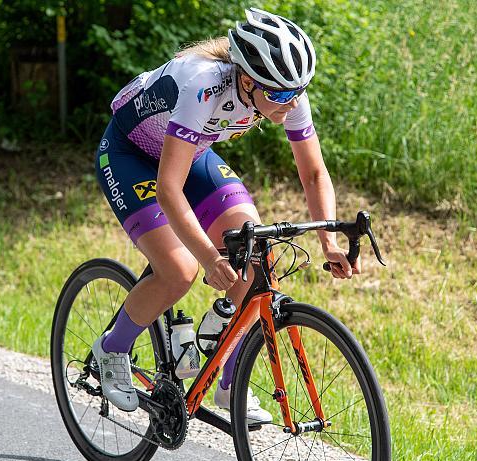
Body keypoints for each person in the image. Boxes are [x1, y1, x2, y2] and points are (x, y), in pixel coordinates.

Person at [92, 7, 360, 423]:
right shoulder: (203, 85)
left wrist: (329, 241)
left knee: (257, 251)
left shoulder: (286, 93)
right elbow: (167, 189)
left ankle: (229, 379)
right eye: (283, 96)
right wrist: (208, 258)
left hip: (190, 151)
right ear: (249, 81)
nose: (291, 105)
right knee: (178, 270)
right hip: (131, 156)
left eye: (298, 92)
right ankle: (112, 349)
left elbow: (312, 172)